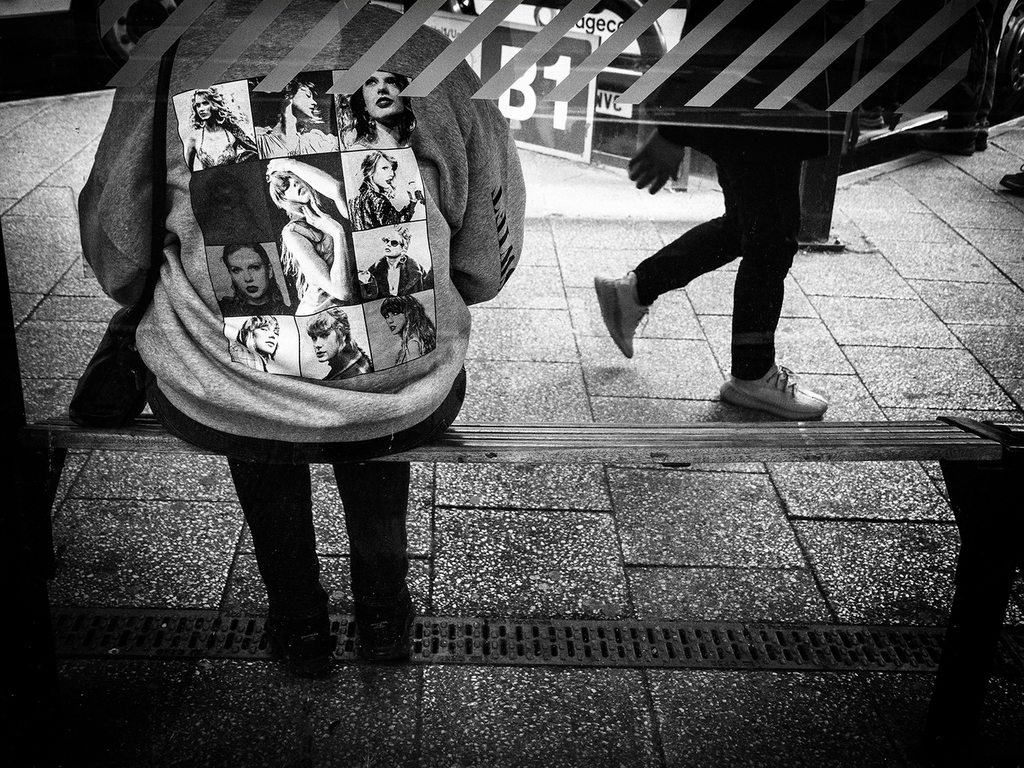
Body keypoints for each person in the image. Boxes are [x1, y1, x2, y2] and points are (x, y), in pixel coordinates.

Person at [78, 0, 524, 678]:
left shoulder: (169, 62)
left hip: (228, 385)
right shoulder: (431, 58)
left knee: (251, 384)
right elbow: (487, 259)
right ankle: (383, 614)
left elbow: (116, 249)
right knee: (378, 368)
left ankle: (297, 620)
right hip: (400, 391)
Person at [594, 0, 834, 421]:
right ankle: (752, 373)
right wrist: (674, 129)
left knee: (747, 225)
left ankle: (634, 290)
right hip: (760, 102)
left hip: (764, 95)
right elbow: (725, 20)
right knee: (771, 238)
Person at [266, 157, 359, 314]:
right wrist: (337, 233)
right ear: (283, 199)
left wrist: (291, 164)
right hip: (321, 313)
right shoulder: (293, 231)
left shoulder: (331, 209)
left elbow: (337, 188)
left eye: (293, 177)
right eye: (285, 186)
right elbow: (342, 292)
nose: (294, 183)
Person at [255, 77, 340, 158]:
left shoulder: (315, 141)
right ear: (288, 94)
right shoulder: (259, 140)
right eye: (307, 96)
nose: (314, 102)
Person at [183, 86, 257, 171]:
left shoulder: (232, 131)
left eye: (205, 103)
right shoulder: (194, 137)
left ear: (214, 104)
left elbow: (255, 152)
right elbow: (187, 173)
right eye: (198, 105)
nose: (201, 109)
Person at [349, 149, 424, 230]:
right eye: (384, 168)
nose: (392, 174)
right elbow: (398, 225)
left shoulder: (354, 201)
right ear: (371, 171)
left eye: (392, 169)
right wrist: (413, 202)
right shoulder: (379, 201)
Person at [346, 70, 416, 149]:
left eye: (391, 81)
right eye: (371, 82)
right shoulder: (358, 152)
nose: (381, 88)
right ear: (364, 103)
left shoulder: (420, 149)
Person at [361, 224, 433, 299]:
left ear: (404, 248)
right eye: (386, 241)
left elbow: (426, 294)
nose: (388, 245)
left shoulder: (416, 271)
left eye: (394, 243)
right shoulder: (373, 271)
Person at [218, 243, 290, 317]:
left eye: (255, 267)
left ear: (269, 270)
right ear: (231, 274)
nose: (248, 278)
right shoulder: (222, 310)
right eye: (236, 270)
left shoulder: (290, 313)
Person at [306, 308, 373, 380]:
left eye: (324, 335)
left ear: (342, 333)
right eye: (314, 338)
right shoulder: (344, 369)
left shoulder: (357, 374)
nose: (317, 345)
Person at [380, 295, 436, 365]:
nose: (389, 321)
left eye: (395, 313)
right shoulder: (408, 343)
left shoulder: (412, 344)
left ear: (408, 313)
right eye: (386, 316)